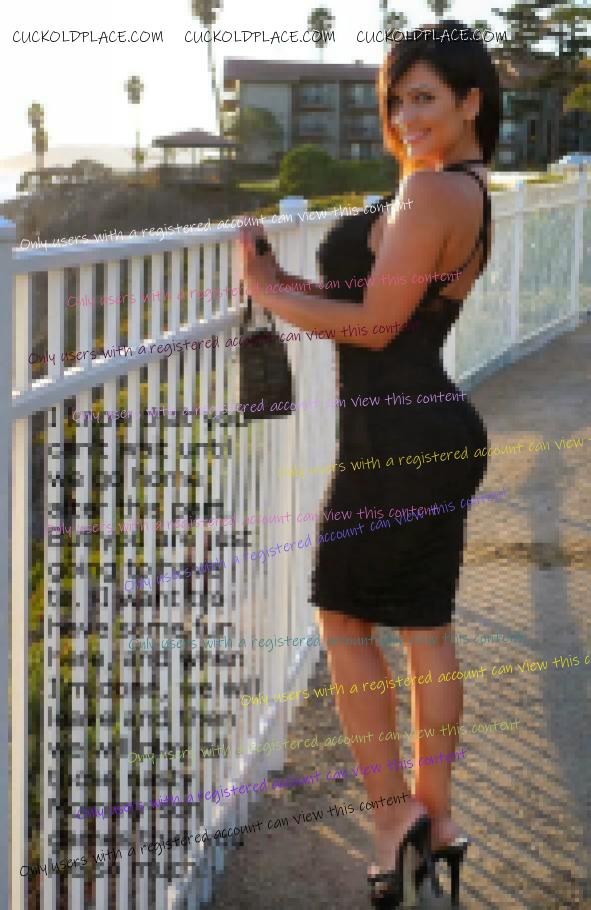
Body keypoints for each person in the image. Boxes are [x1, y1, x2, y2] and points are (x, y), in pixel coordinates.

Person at [240, 19, 500, 908]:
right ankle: (437, 821)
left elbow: (377, 327)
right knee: (424, 631)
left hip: (398, 442)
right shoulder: (463, 190)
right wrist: (294, 289)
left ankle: (395, 819)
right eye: (396, 100)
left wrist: (268, 292)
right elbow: (382, 306)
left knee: (344, 622)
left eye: (424, 97)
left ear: (469, 102)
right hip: (421, 433)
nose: (406, 115)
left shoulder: (430, 191)